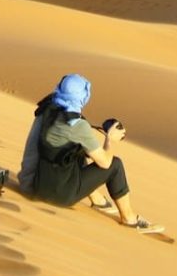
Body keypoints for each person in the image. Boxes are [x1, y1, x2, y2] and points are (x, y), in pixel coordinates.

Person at [17, 73, 161, 233]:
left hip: (29, 183)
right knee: (115, 165)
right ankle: (130, 219)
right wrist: (109, 140)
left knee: (78, 150)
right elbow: (105, 163)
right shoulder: (76, 125)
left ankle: (98, 200)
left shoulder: (47, 108)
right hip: (56, 195)